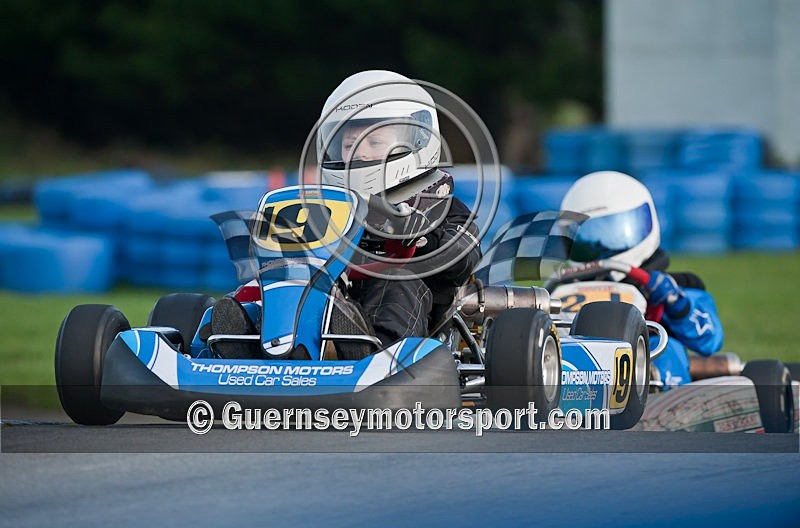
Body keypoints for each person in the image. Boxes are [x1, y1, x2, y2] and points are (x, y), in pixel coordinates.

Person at [212, 70, 482, 358]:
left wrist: (425, 238)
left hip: (413, 308)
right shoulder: (324, 205)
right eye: (349, 144)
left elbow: (465, 255)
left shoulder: (437, 204)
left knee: (395, 281)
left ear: (418, 139)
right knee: (274, 284)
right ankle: (239, 343)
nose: (359, 154)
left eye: (374, 142)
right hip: (331, 290)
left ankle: (369, 353)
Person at [559, 170, 724, 389]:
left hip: (649, 372)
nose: (602, 247)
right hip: (574, 370)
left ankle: (653, 383)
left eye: (613, 231)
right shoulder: (563, 291)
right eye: (588, 237)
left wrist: (678, 305)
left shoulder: (674, 287)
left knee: (663, 346)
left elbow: (710, 339)